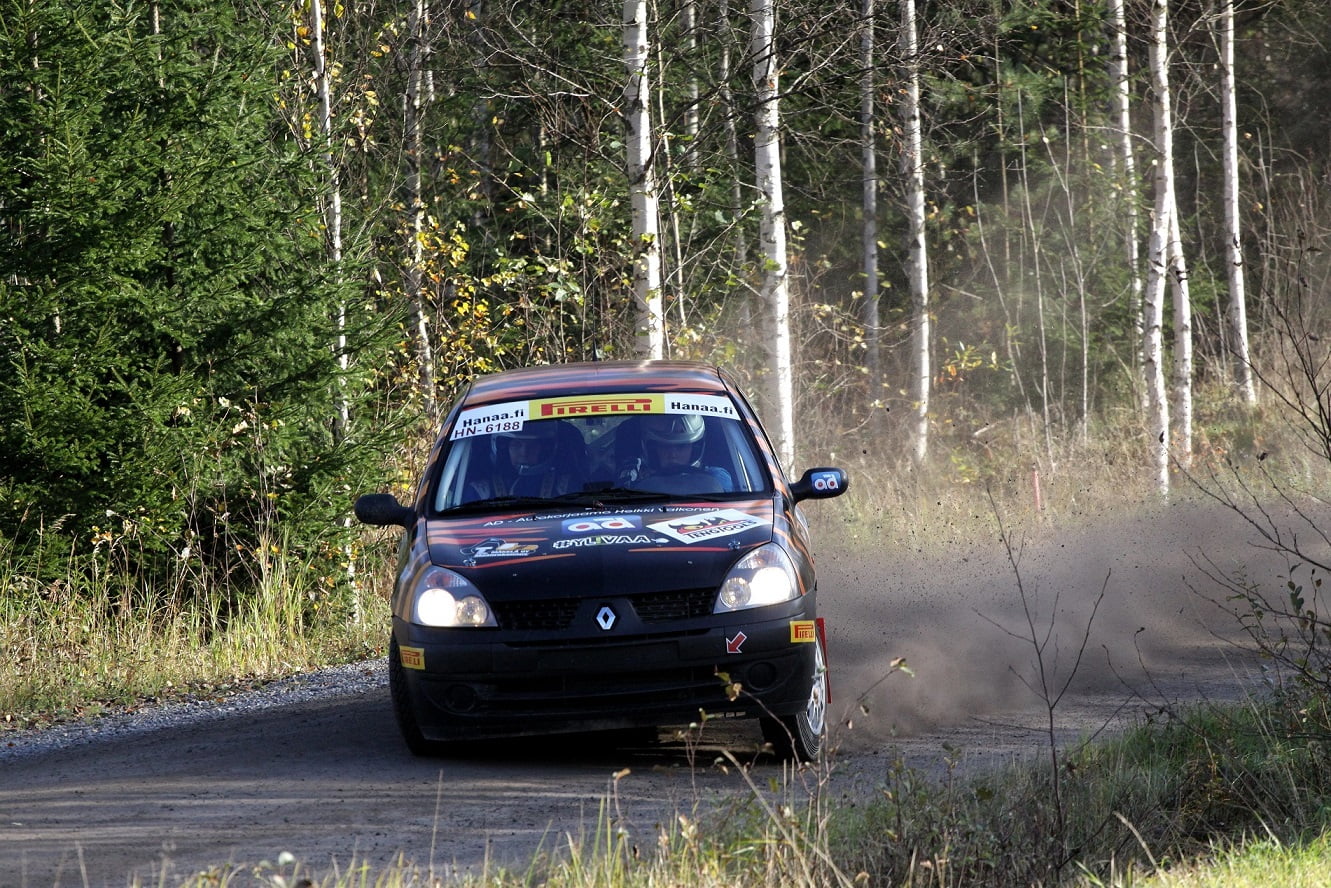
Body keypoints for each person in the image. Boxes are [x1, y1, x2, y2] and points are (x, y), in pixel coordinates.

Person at [470, 421, 584, 499]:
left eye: (532, 446)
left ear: (544, 450)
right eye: (516, 445)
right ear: (504, 450)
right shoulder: (480, 492)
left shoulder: (565, 487)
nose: (524, 453)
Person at [622, 414, 732, 493]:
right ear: (653, 448)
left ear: (695, 448)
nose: (672, 454)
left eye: (681, 446)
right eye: (665, 446)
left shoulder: (717, 477)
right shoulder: (634, 478)